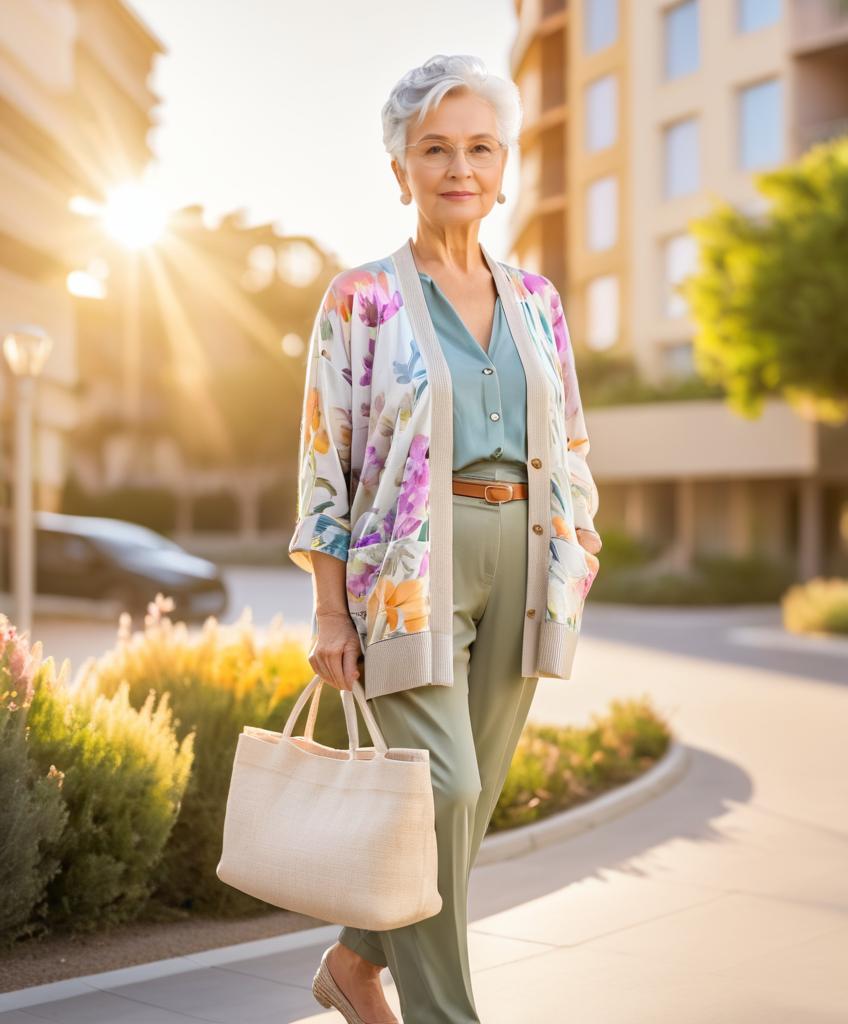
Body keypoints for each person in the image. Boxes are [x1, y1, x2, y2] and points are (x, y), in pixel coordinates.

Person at [292, 54, 602, 1024]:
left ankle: (356, 960)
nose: (458, 167)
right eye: (434, 148)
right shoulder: (360, 299)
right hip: (407, 573)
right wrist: (329, 607)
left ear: (504, 166)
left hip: (523, 562)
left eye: (478, 147)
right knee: (446, 788)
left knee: (466, 802)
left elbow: (575, 439)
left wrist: (579, 548)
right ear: (400, 169)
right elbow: (323, 464)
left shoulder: (538, 301)